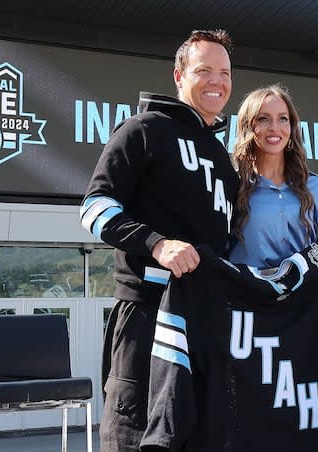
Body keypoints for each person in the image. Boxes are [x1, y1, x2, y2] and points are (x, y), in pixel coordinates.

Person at [80, 29, 239, 452]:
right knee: (136, 438)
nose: (216, 82)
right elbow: (94, 208)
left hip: (206, 322)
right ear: (178, 75)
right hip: (147, 315)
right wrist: (156, 243)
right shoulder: (142, 129)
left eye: (224, 73)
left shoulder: (223, 158)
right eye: (204, 70)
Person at [229, 84, 318, 268]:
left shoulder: (315, 186)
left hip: (303, 294)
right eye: (263, 119)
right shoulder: (233, 185)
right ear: (248, 126)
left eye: (283, 119)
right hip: (246, 293)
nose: (275, 127)